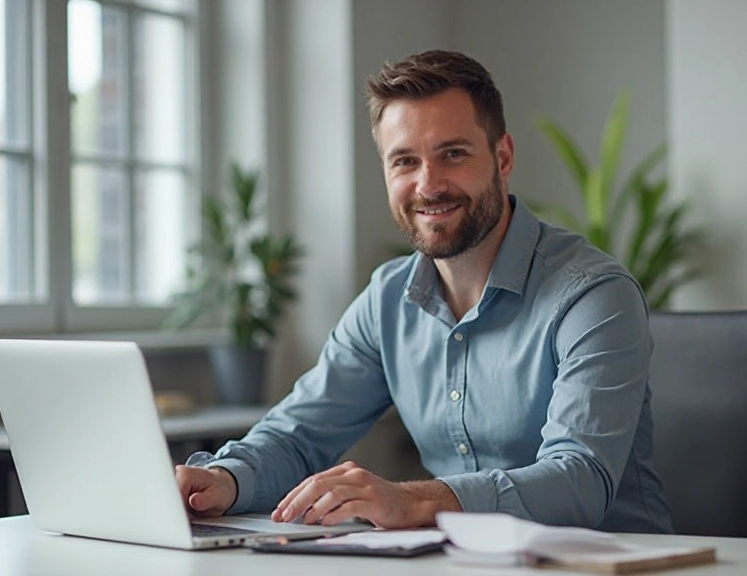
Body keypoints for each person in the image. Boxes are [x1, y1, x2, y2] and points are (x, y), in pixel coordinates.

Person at [175, 49, 673, 533]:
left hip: (613, 564)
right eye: (405, 161)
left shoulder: (593, 295)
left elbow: (579, 481)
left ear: (502, 157)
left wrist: (413, 499)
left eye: (452, 154)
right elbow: (300, 435)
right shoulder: (387, 298)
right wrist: (223, 480)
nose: (428, 185)